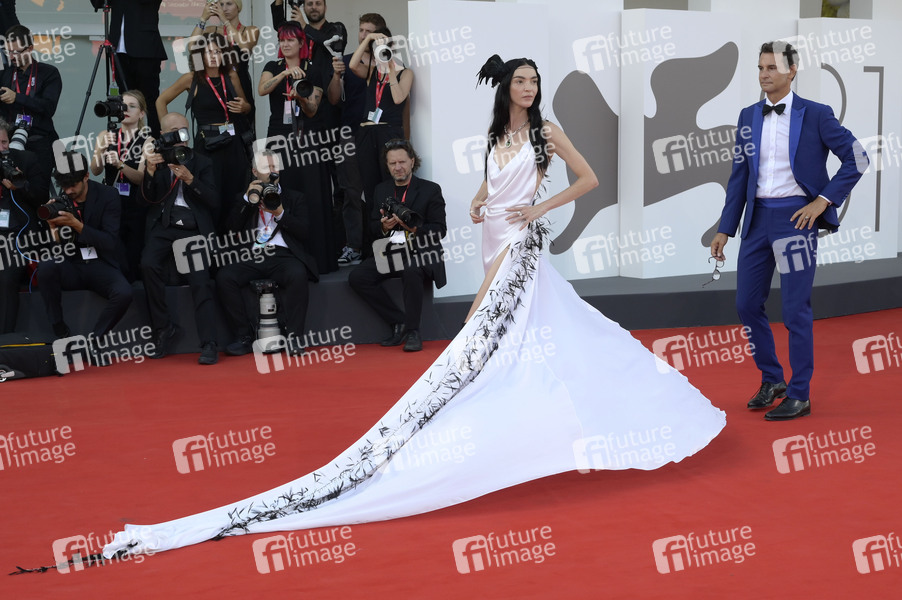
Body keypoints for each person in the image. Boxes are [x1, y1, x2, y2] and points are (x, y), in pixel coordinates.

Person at [101, 55, 725, 560]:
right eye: (521, 81)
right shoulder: (497, 134)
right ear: (507, 88)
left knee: (485, 337)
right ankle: (548, 411)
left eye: (535, 81)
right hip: (495, 236)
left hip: (522, 242)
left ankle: (510, 420)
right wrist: (480, 199)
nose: (529, 88)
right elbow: (495, 178)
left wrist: (538, 209)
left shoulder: (547, 132)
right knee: (533, 333)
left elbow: (589, 180)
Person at [710, 42, 867, 421]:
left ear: (792, 71)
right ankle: (772, 379)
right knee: (747, 304)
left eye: (771, 68)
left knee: (795, 309)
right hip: (756, 221)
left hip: (796, 221)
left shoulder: (816, 114)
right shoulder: (748, 116)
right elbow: (739, 176)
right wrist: (725, 228)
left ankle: (800, 394)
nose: (764, 75)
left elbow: (857, 158)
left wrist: (822, 201)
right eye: (760, 68)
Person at [216, 150, 318, 356]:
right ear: (255, 172)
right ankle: (243, 336)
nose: (273, 172)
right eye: (266, 167)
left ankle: (295, 338)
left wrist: (280, 213)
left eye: (275, 167)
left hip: (283, 254)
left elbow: (304, 232)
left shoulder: (294, 197)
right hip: (252, 255)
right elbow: (232, 228)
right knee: (225, 277)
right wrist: (247, 200)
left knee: (297, 273)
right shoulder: (244, 197)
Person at [349, 139, 446, 353]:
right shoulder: (381, 189)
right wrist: (383, 227)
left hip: (422, 251)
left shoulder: (430, 190)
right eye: (392, 163)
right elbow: (372, 227)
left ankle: (413, 332)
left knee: (411, 269)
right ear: (387, 165)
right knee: (357, 277)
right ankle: (398, 321)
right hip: (393, 250)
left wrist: (415, 228)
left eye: (402, 162)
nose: (398, 167)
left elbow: (440, 230)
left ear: (412, 161)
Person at [36, 151, 132, 364]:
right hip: (71, 263)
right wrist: (53, 229)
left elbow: (109, 241)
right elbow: (56, 250)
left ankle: (95, 342)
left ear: (86, 176)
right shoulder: (60, 200)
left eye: (73, 185)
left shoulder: (108, 195)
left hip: (100, 262)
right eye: (64, 186)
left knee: (124, 292)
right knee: (46, 267)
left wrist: (77, 225)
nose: (68, 191)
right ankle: (59, 329)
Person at [140, 112, 219, 365]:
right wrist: (149, 171)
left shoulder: (202, 162)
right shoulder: (159, 159)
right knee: (148, 264)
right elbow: (146, 200)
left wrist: (191, 180)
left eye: (184, 131)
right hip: (165, 226)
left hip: (193, 229)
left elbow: (214, 201)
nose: (181, 137)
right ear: (164, 135)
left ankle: (209, 342)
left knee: (201, 280)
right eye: (174, 132)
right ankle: (163, 329)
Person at [259, 21, 337, 274]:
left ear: (301, 43)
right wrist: (284, 75)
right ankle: (283, 254)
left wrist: (301, 97)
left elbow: (313, 110)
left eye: (291, 39)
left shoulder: (313, 69)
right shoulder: (272, 66)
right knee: (280, 189)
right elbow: (262, 90)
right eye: (282, 40)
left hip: (307, 137)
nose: (285, 44)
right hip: (278, 136)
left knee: (311, 194)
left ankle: (318, 258)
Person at [156, 32, 251, 233]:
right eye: (209, 52)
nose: (214, 56)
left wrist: (244, 107)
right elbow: (160, 101)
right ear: (200, 55)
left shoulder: (231, 76)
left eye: (218, 51)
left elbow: (247, 107)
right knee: (208, 193)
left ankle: (233, 242)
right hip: (206, 145)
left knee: (235, 192)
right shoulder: (192, 78)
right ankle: (209, 240)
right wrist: (168, 136)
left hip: (232, 143)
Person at [328, 13, 385, 266]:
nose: (364, 36)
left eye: (369, 32)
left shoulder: (387, 61)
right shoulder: (346, 62)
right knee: (351, 193)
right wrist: (335, 76)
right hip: (349, 132)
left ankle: (378, 247)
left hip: (377, 134)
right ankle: (353, 246)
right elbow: (333, 99)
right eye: (361, 31)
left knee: (378, 192)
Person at [348, 26, 412, 211]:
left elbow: (398, 98)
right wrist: (368, 40)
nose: (381, 52)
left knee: (390, 180)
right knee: (369, 183)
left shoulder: (405, 72)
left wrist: (391, 69)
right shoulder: (372, 72)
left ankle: (394, 219)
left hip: (389, 131)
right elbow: (352, 65)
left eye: (384, 47)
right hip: (366, 132)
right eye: (377, 48)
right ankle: (375, 224)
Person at [90, 90, 150, 282]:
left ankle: (131, 285)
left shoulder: (147, 140)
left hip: (134, 202)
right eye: (123, 106)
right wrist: (101, 149)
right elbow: (95, 170)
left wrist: (120, 165)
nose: (126, 110)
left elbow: (141, 178)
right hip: (110, 200)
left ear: (141, 113)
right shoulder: (106, 135)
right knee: (112, 247)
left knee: (132, 250)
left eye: (132, 106)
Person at [0, 25, 62, 191]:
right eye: (8, 52)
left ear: (29, 49)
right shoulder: (4, 73)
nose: (11, 57)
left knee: (37, 192)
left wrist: (17, 97)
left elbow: (48, 108)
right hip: (9, 144)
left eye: (16, 52)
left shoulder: (49, 73)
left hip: (39, 143)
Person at [0, 116, 47, 333]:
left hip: (18, 237)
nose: (2, 148)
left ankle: (4, 340)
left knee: (5, 277)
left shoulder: (26, 159)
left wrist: (21, 185)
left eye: (4, 142)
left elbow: (42, 198)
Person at [193, 0, 259, 135]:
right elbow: (193, 48)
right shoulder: (211, 30)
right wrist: (203, 18)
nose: (224, 8)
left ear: (238, 7)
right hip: (216, 81)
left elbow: (245, 47)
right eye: (221, 4)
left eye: (229, 4)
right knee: (217, 123)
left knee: (243, 126)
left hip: (239, 82)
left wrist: (225, 21)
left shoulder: (250, 30)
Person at [108, 0, 167, 137]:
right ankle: (129, 140)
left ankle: (155, 141)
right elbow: (98, 3)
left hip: (145, 46)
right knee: (125, 100)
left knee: (150, 100)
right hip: (117, 47)